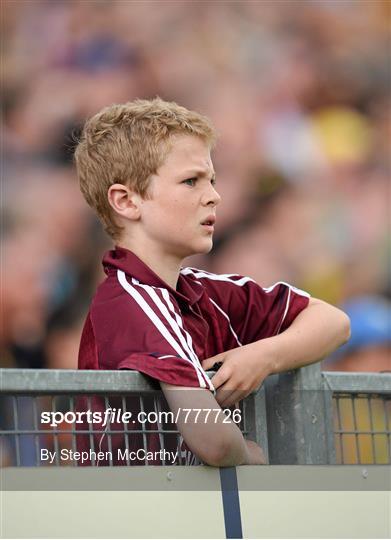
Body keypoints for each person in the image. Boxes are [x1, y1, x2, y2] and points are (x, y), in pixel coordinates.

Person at [74, 97, 350, 467]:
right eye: (191, 181)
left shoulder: (205, 290)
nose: (214, 196)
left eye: (212, 180)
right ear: (126, 201)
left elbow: (333, 322)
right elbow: (212, 439)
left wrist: (262, 357)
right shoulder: (132, 300)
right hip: (141, 516)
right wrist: (251, 458)